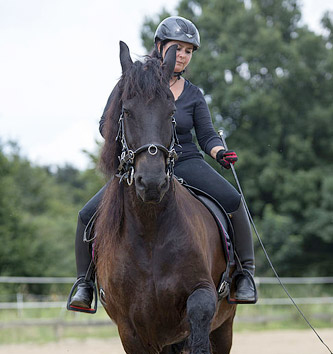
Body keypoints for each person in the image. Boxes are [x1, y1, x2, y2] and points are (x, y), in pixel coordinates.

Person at [68, 16, 257, 312]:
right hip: (141, 165)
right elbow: (107, 125)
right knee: (86, 215)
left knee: (233, 201)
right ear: (160, 47)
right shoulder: (131, 81)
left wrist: (220, 152)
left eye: (188, 51)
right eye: (177, 48)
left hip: (185, 161)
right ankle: (84, 284)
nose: (182, 56)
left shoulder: (193, 94)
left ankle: (244, 274)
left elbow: (206, 134)